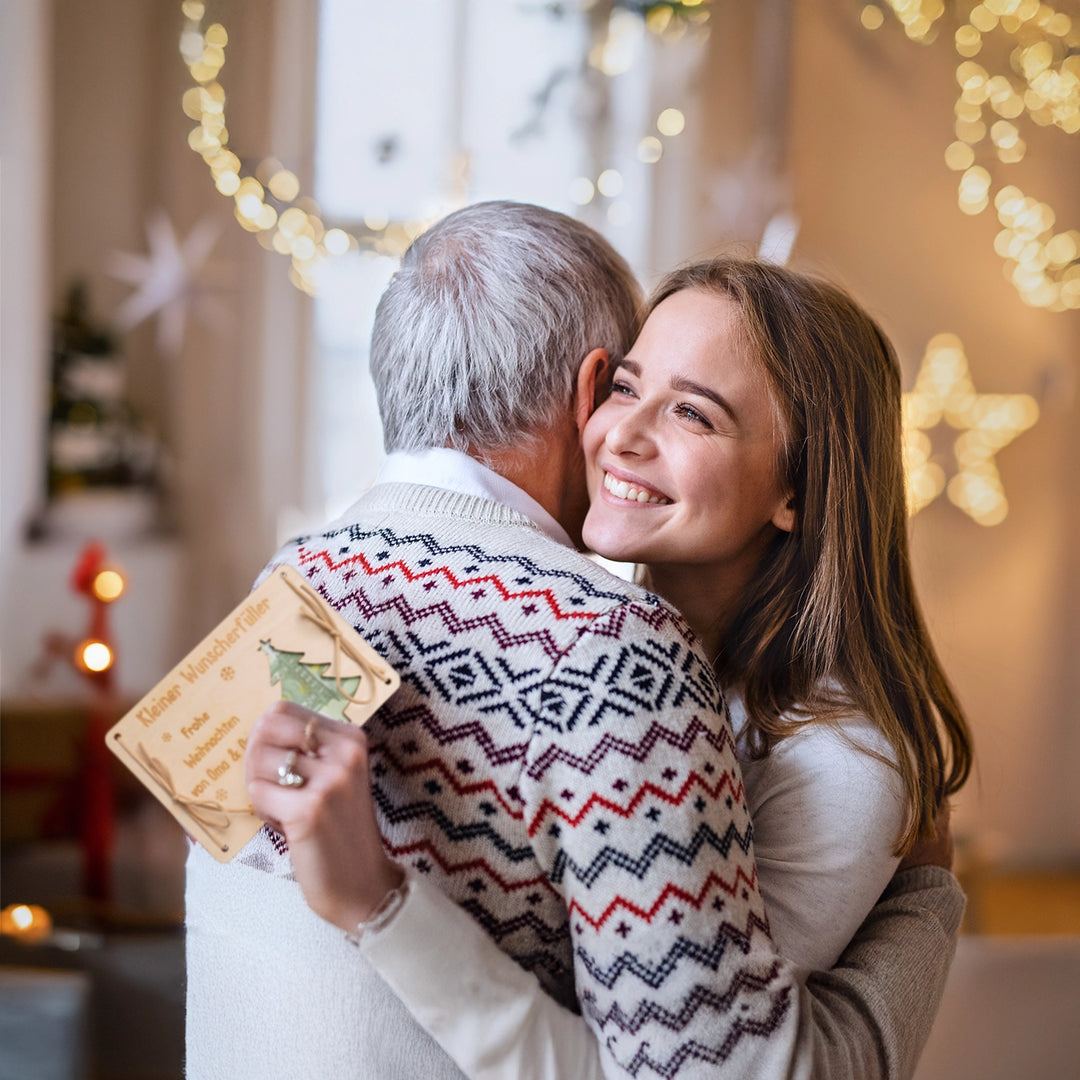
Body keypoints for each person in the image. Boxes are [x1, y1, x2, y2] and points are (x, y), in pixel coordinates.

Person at [187, 201, 966, 1080]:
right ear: (590, 388)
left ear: (801, 487)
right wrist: (924, 914)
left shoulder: (289, 586)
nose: (624, 436)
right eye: (627, 388)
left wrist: (925, 910)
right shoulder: (617, 654)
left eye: (696, 415)